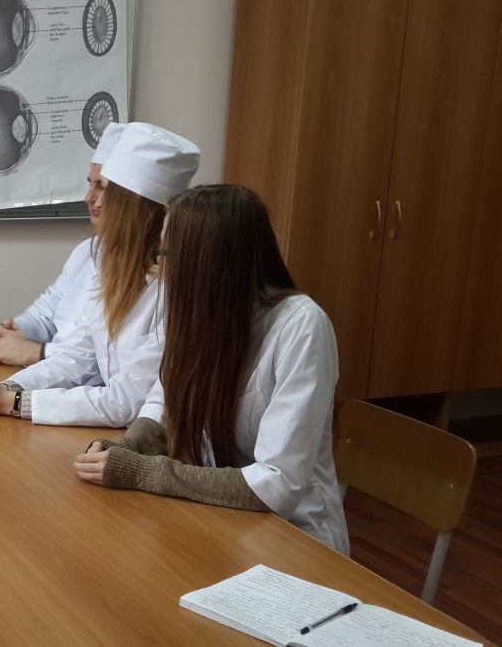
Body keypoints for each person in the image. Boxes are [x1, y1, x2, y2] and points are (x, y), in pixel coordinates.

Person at [73, 184, 348, 554]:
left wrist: (143, 471)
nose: (159, 269)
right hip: (218, 518)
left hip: (291, 538)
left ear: (206, 261)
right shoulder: (202, 312)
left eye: (165, 254)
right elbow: (164, 399)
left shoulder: (301, 327)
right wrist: (133, 444)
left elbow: (277, 485)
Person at [0, 123, 199, 427]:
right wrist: (6, 387)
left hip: (152, 439)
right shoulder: (113, 266)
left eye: (104, 188)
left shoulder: (175, 290)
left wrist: (13, 402)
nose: (91, 198)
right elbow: (78, 358)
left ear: (134, 207)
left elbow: (125, 401)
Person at [0, 122, 126, 371]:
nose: (89, 197)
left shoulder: (153, 274)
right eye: (90, 184)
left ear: (129, 198)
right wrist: (6, 334)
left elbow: (100, 360)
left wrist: (32, 352)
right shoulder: (88, 251)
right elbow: (46, 315)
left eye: (102, 186)